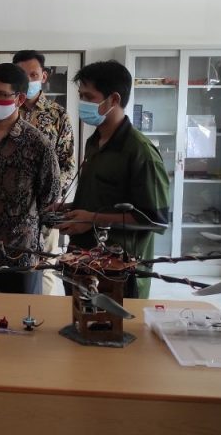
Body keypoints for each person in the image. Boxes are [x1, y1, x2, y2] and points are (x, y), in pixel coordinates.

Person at [58, 60, 169, 299]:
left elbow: (155, 219)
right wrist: (67, 209)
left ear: (114, 99)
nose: (82, 103)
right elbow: (100, 200)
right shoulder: (94, 142)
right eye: (81, 96)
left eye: (89, 97)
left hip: (120, 272)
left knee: (115, 322)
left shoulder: (140, 152)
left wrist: (92, 220)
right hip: (82, 263)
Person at [0, 64, 59, 294]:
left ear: (20, 98)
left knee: (22, 313)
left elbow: (50, 196)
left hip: (20, 253)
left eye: (1, 94)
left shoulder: (38, 143)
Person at [13, 50, 76, 294]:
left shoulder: (57, 114)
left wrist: (50, 198)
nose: (29, 80)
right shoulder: (7, 110)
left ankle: (42, 313)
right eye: (23, 75)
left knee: (46, 266)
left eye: (34, 75)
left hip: (45, 208)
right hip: (11, 209)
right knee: (14, 266)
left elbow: (67, 163)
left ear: (44, 76)